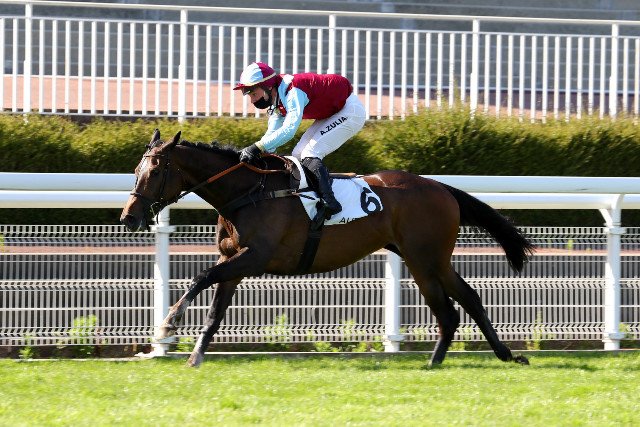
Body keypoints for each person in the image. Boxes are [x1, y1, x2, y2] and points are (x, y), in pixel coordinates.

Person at [234, 62, 366, 219]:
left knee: (311, 153)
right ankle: (313, 198)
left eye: (253, 94)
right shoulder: (277, 100)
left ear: (267, 86)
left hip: (350, 112)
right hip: (333, 113)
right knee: (298, 154)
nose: (252, 100)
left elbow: (289, 130)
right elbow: (270, 137)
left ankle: (330, 203)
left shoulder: (293, 91)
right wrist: (257, 152)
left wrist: (256, 147)